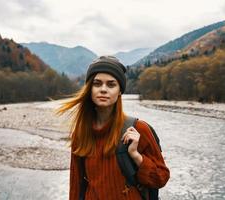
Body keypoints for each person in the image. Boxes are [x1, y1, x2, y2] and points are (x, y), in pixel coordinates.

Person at [56, 56, 170, 200]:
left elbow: (161, 178)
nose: (103, 89)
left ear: (120, 91)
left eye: (111, 85)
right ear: (89, 89)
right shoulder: (81, 134)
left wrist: (136, 156)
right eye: (97, 84)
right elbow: (76, 185)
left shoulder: (139, 129)